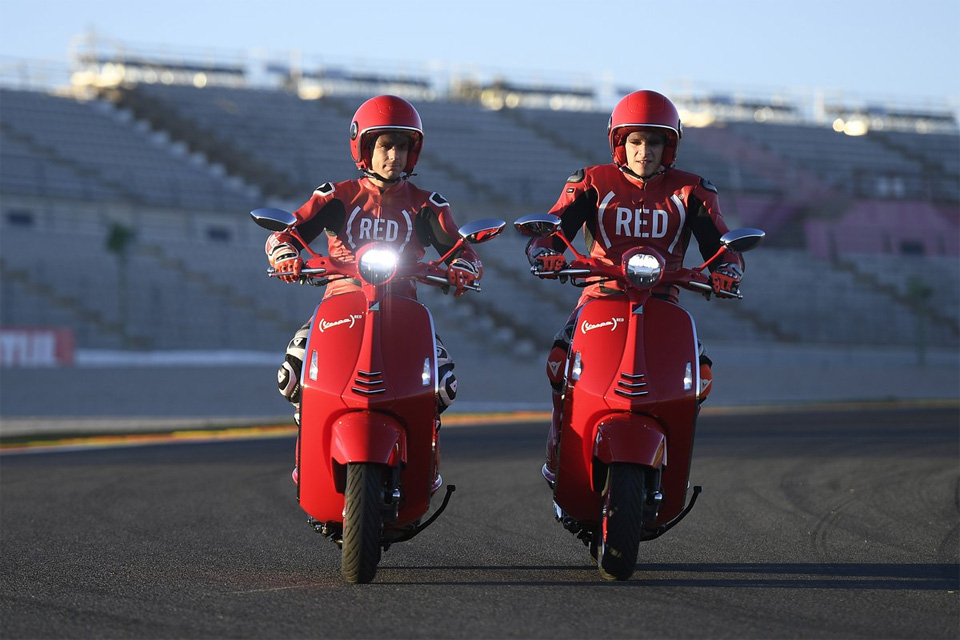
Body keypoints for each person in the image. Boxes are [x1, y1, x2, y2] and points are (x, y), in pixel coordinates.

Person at [525, 89, 745, 486]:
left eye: (655, 142)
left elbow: (723, 246)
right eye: (636, 141)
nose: (645, 152)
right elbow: (553, 231)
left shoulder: (693, 191)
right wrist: (544, 252)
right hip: (600, 298)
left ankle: (671, 460)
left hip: (664, 301)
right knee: (559, 362)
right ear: (619, 143)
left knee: (702, 375)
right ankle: (561, 447)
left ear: (670, 146)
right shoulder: (591, 181)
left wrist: (728, 268)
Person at [264, 94, 483, 483]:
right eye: (385, 145)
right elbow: (288, 233)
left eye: (402, 147)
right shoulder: (336, 195)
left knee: (444, 385)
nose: (394, 156)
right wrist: (283, 253)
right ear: (364, 147)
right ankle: (310, 448)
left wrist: (464, 267)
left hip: (403, 310)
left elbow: (459, 249)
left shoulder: (425, 204)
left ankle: (423, 462)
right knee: (292, 375)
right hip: (340, 304)